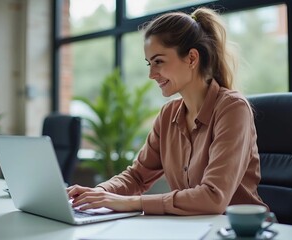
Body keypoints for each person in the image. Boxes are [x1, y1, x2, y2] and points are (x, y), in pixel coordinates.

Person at [67, 7, 268, 215]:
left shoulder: (232, 109)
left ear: (191, 58)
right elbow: (137, 176)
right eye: (149, 63)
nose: (151, 74)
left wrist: (132, 202)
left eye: (158, 62)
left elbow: (213, 198)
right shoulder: (168, 115)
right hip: (191, 229)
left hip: (238, 231)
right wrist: (98, 193)